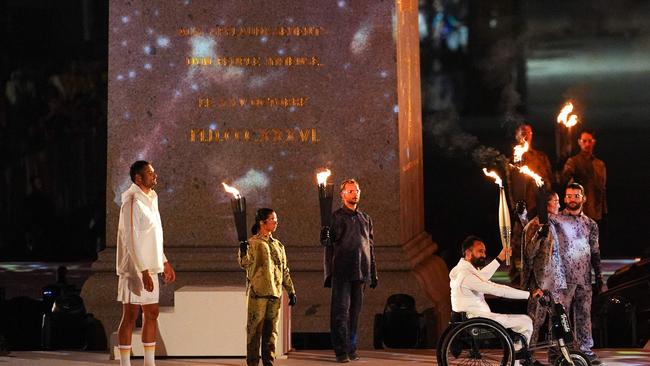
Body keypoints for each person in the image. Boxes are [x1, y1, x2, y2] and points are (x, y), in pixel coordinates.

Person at [115, 161, 176, 366]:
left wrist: (164, 261)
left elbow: (154, 235)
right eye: (150, 173)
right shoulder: (131, 201)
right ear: (138, 178)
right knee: (131, 314)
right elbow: (130, 239)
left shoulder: (152, 197)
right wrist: (142, 271)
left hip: (151, 266)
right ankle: (125, 363)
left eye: (154, 172)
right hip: (134, 269)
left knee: (152, 313)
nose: (154, 175)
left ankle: (149, 363)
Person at [449, 235, 544, 365]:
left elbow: (482, 277)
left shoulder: (461, 270)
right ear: (468, 253)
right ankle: (516, 362)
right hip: (478, 320)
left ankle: (516, 359)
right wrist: (528, 294)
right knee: (526, 322)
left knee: (521, 323)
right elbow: (498, 290)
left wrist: (499, 259)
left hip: (473, 317)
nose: (484, 254)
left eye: (484, 251)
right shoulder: (466, 276)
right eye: (480, 251)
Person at [321, 179, 378, 363]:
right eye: (350, 191)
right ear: (343, 194)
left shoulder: (365, 219)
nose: (355, 194)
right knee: (340, 313)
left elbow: (370, 247)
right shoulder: (336, 217)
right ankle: (340, 350)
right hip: (342, 272)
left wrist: (373, 272)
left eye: (357, 190)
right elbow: (328, 243)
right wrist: (325, 236)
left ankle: (352, 348)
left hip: (360, 273)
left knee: (355, 313)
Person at [550, 182, 604, 365]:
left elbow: (595, 252)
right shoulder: (556, 220)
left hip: (584, 279)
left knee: (584, 315)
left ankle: (585, 351)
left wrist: (599, 277)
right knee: (559, 316)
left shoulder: (591, 224)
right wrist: (523, 215)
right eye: (569, 196)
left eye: (576, 196)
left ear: (583, 198)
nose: (572, 199)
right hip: (562, 280)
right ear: (565, 198)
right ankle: (557, 352)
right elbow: (536, 227)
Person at [239, 208, 296, 366]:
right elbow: (245, 263)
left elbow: (284, 270)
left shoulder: (278, 245)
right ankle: (252, 363)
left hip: (275, 294)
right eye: (273, 219)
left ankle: (268, 362)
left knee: (271, 333)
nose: (276, 221)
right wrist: (243, 250)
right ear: (262, 222)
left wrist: (291, 290)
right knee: (254, 332)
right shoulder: (253, 243)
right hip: (258, 294)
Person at [507, 124, 554, 284]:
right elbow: (511, 185)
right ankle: (517, 274)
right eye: (522, 133)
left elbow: (548, 180)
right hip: (523, 208)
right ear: (517, 136)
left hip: (538, 207)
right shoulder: (515, 159)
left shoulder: (540, 157)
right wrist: (516, 208)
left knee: (540, 240)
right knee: (518, 241)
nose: (525, 135)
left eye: (528, 132)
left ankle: (538, 271)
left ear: (532, 134)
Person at [522, 191, 567, 347]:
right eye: (556, 201)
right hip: (540, 283)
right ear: (546, 204)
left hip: (555, 282)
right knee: (535, 321)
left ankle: (557, 356)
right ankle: (527, 357)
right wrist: (539, 235)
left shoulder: (553, 224)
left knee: (556, 321)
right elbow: (529, 253)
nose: (559, 205)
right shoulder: (535, 225)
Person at [561, 130, 607, 222]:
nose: (587, 144)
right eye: (584, 141)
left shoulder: (599, 164)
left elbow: (602, 188)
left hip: (596, 211)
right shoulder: (573, 161)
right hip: (579, 211)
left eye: (590, 141)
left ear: (593, 142)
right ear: (579, 142)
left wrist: (604, 209)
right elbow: (564, 180)